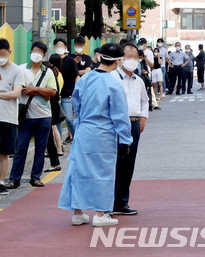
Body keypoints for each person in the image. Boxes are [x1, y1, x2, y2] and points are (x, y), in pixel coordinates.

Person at [58, 43, 133, 227]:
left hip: (84, 130)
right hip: (103, 133)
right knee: (103, 172)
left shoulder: (84, 80)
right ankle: (100, 214)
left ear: (99, 57)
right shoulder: (114, 84)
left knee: (79, 170)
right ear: (117, 62)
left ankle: (78, 212)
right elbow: (120, 115)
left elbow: (77, 105)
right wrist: (125, 139)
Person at [6, 42, 56, 189]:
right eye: (34, 51)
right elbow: (18, 88)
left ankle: (35, 177)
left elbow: (52, 92)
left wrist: (34, 89)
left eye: (40, 52)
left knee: (40, 149)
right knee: (20, 148)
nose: (36, 54)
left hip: (44, 116)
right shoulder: (20, 69)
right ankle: (14, 179)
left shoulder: (48, 72)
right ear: (30, 53)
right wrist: (42, 91)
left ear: (44, 55)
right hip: (25, 116)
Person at [111, 42, 149, 216]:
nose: (132, 60)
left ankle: (122, 203)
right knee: (114, 164)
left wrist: (143, 118)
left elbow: (145, 101)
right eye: (128, 56)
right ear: (120, 58)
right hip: (116, 125)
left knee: (128, 164)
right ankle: (107, 202)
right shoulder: (111, 77)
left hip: (134, 124)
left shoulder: (138, 80)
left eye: (135, 57)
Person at [0, 39, 26, 195]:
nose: (0, 57)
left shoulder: (17, 71)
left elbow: (16, 94)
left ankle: (1, 182)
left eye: (3, 54)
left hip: (9, 117)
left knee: (5, 152)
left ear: (10, 52)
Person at [43, 54, 65, 173]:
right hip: (54, 105)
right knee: (52, 130)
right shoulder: (58, 73)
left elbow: (54, 92)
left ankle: (58, 152)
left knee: (52, 130)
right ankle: (57, 154)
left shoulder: (52, 74)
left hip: (51, 106)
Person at [57, 38, 79, 145]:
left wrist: (75, 92)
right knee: (57, 122)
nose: (58, 47)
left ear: (65, 48)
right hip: (56, 95)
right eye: (56, 45)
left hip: (68, 94)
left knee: (69, 119)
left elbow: (77, 76)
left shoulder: (70, 61)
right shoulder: (53, 60)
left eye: (61, 45)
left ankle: (76, 138)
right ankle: (59, 143)